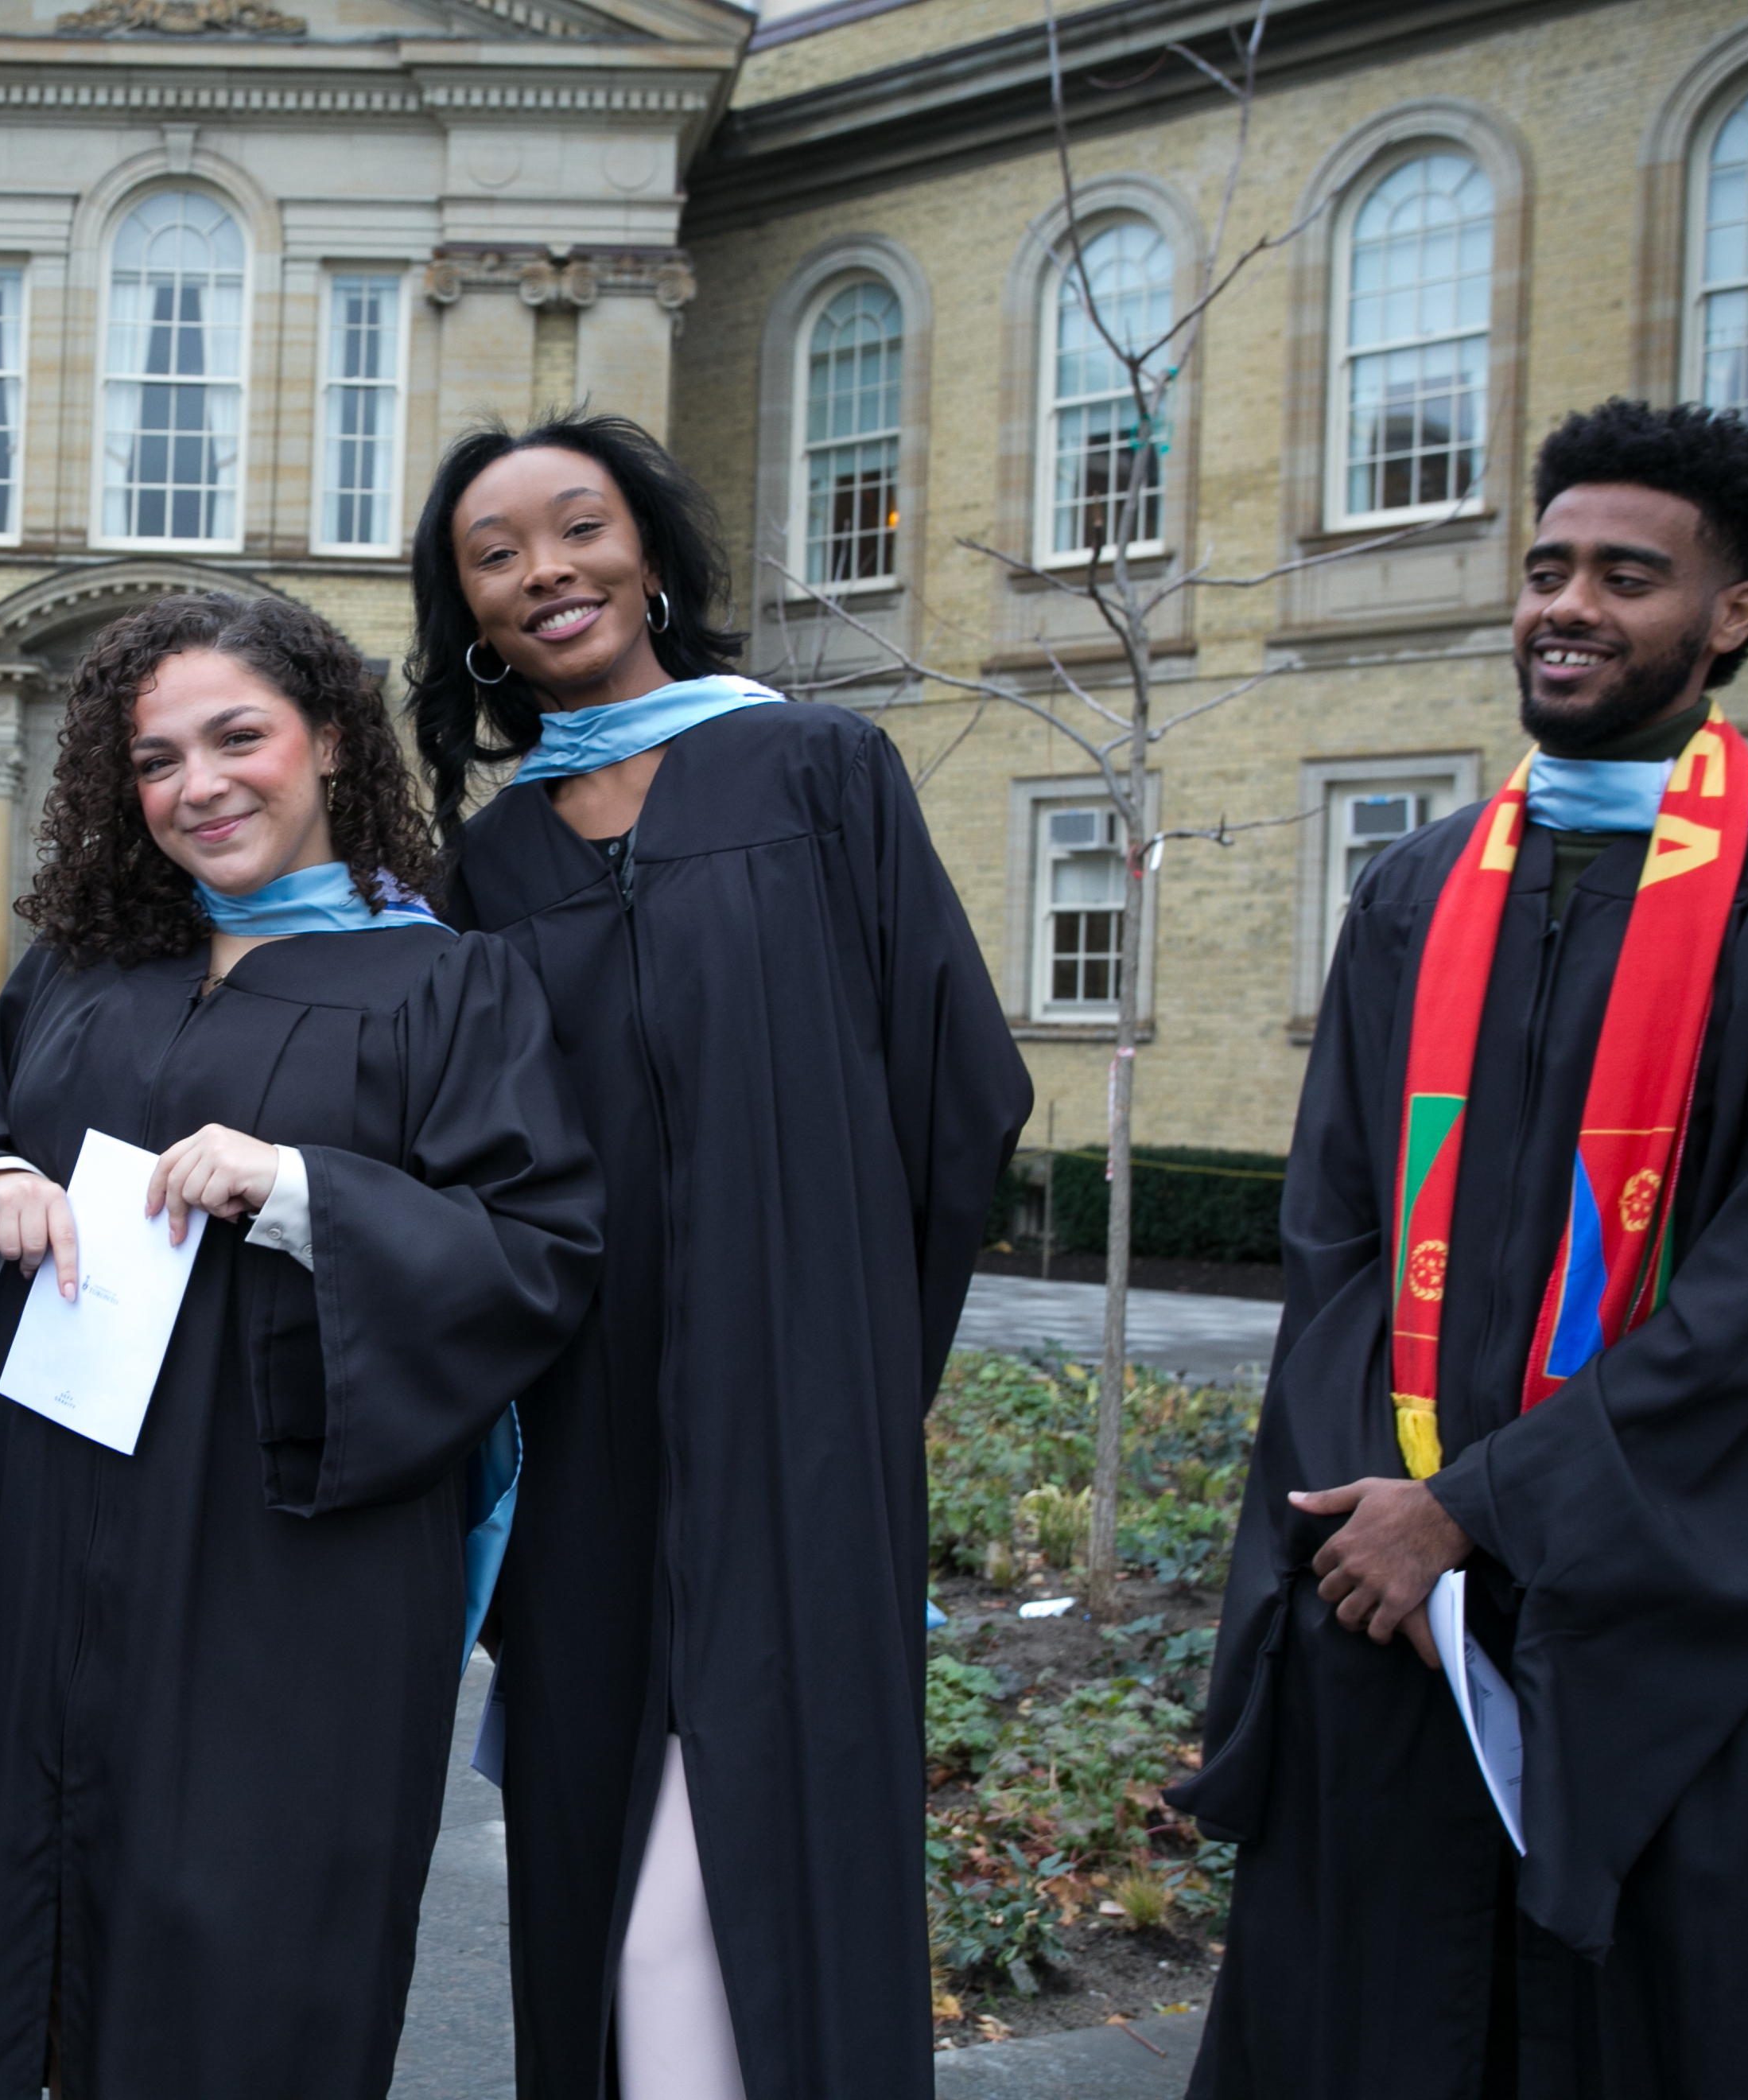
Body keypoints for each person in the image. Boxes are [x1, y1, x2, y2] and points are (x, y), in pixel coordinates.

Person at [0, 590, 603, 2100]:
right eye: (154, 761)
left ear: (329, 739)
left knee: (241, 1953)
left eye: (236, 738)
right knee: (4, 1950)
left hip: (279, 1582)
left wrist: (304, 1190)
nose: (197, 787)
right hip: (31, 1542)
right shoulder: (83, 972)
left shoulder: (448, 984)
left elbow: (538, 1254)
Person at [1175, 402, 1748, 2094]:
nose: (1569, 605)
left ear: (1730, 619)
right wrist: (1371, 1511)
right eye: (1547, 569)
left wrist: (1491, 1507)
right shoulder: (1425, 885)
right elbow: (1338, 1243)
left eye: (1627, 574)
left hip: (1658, 1596)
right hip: (1400, 1592)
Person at [410, 414, 1031, 2100]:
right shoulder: (490, 868)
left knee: (758, 1848)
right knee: (597, 1858)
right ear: (466, 608)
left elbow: (958, 1093)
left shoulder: (816, 772)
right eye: (497, 550)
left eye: (579, 526)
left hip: (803, 1405)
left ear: (656, 555)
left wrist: (855, 1366)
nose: (547, 569)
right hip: (583, 1443)